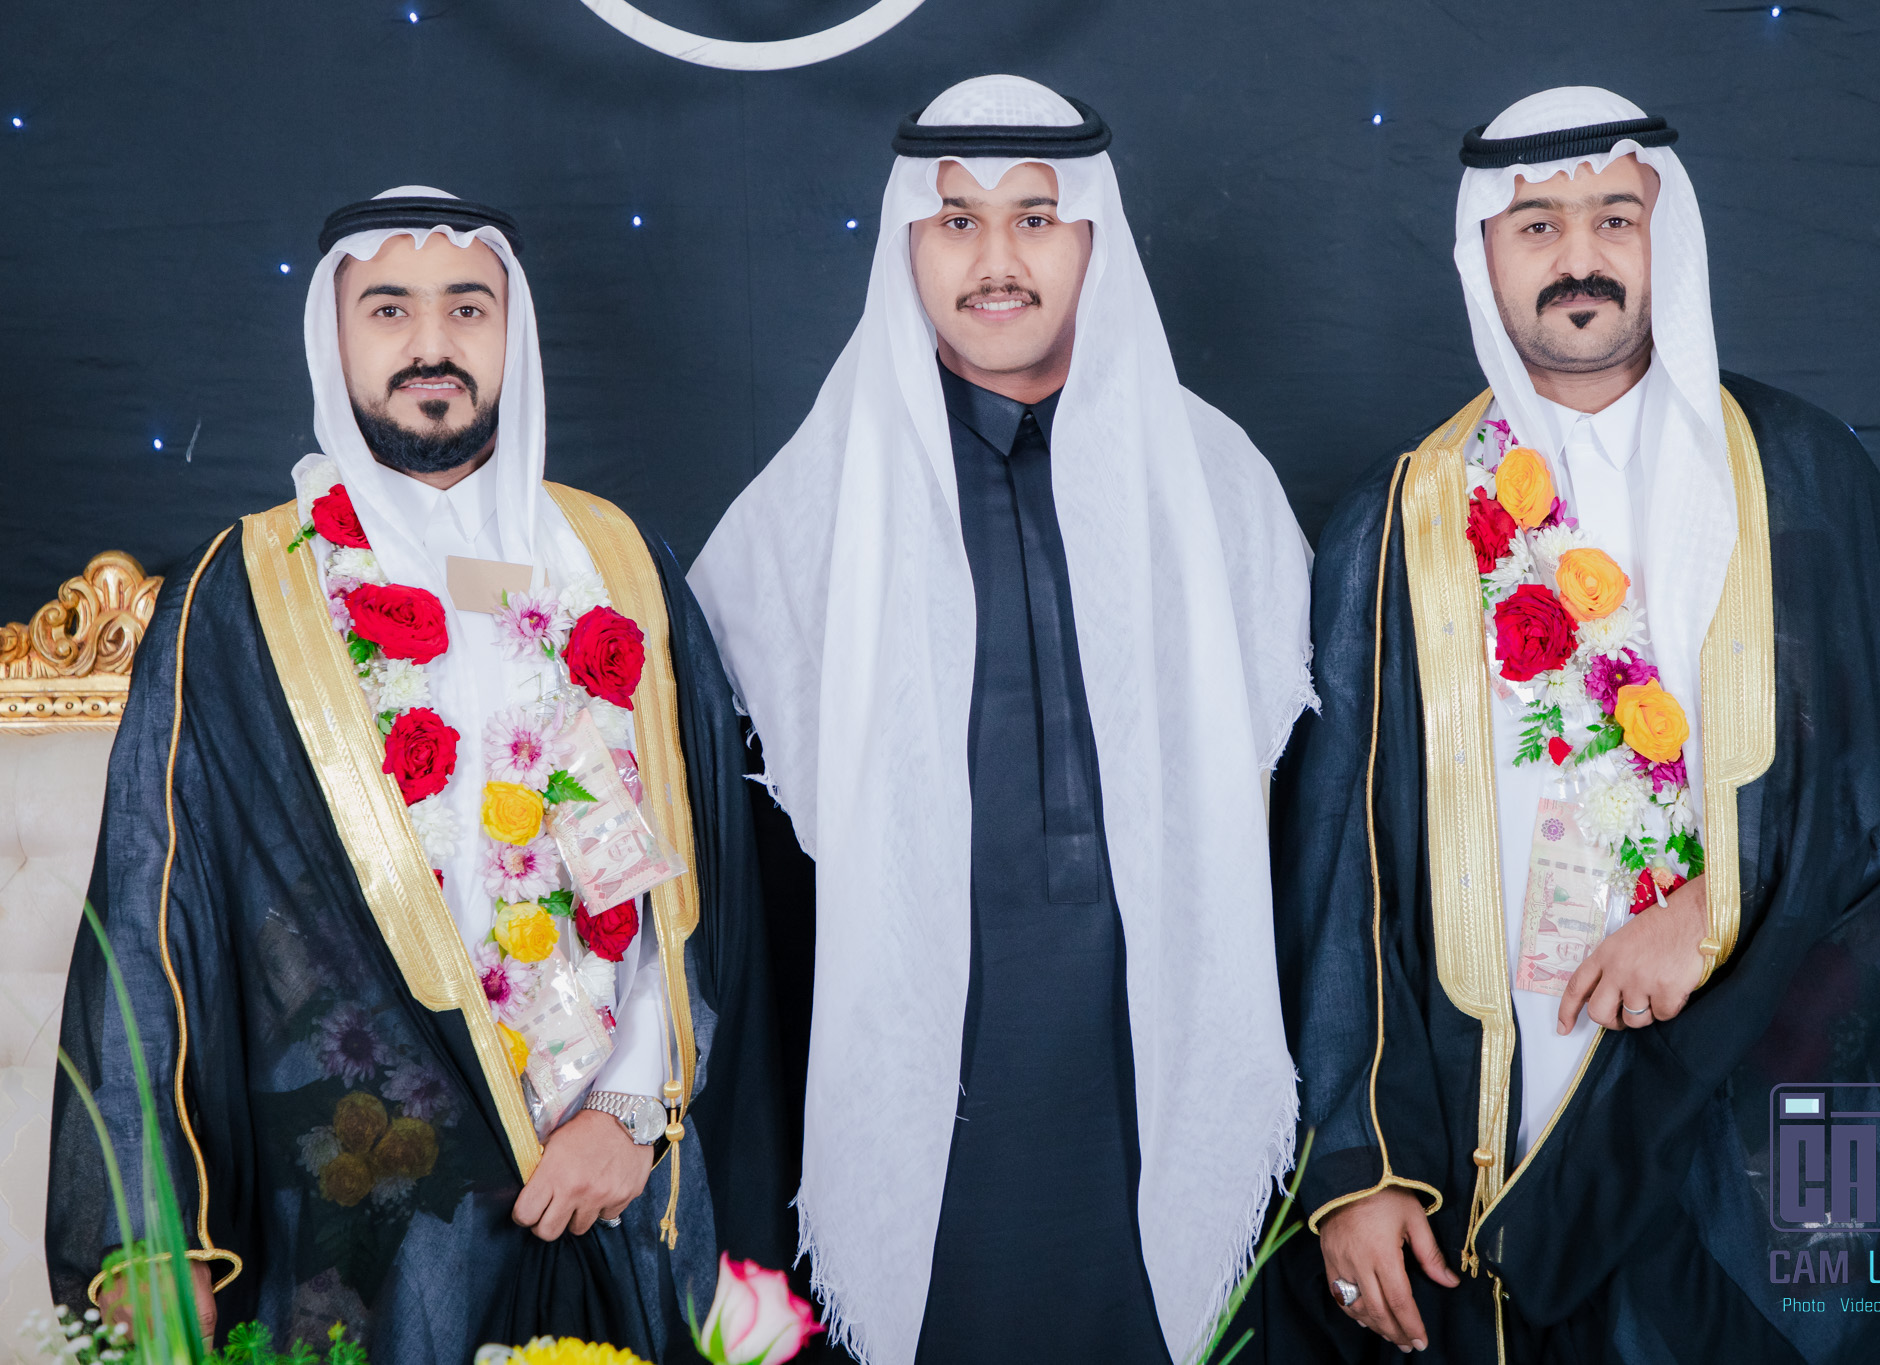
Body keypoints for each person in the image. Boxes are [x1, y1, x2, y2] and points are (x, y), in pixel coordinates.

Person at [1274, 88, 1880, 1363]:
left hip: (1768, 1116)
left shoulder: (1801, 477)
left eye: (1611, 218)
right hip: (1503, 1121)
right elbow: (1335, 875)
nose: (1577, 256)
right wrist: (1356, 1166)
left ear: (1661, 238)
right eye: (1535, 225)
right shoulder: (1396, 523)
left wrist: (1713, 912)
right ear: (1481, 253)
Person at [47, 188, 790, 1360]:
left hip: (606, 1174)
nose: (431, 344)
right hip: (356, 1197)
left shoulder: (614, 563)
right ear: (333, 337)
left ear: (512, 334)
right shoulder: (244, 596)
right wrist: (152, 1234)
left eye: (467, 308)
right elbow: (156, 915)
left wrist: (627, 1109)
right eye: (389, 309)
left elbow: (694, 888)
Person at [688, 75, 1313, 1365]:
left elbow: (1295, 813)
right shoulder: (810, 509)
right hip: (928, 1060)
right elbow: (737, 871)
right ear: (906, 245)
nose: (994, 262)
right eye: (955, 221)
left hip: (1157, 1044)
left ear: (1092, 237)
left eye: (1034, 218)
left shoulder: (1213, 482)